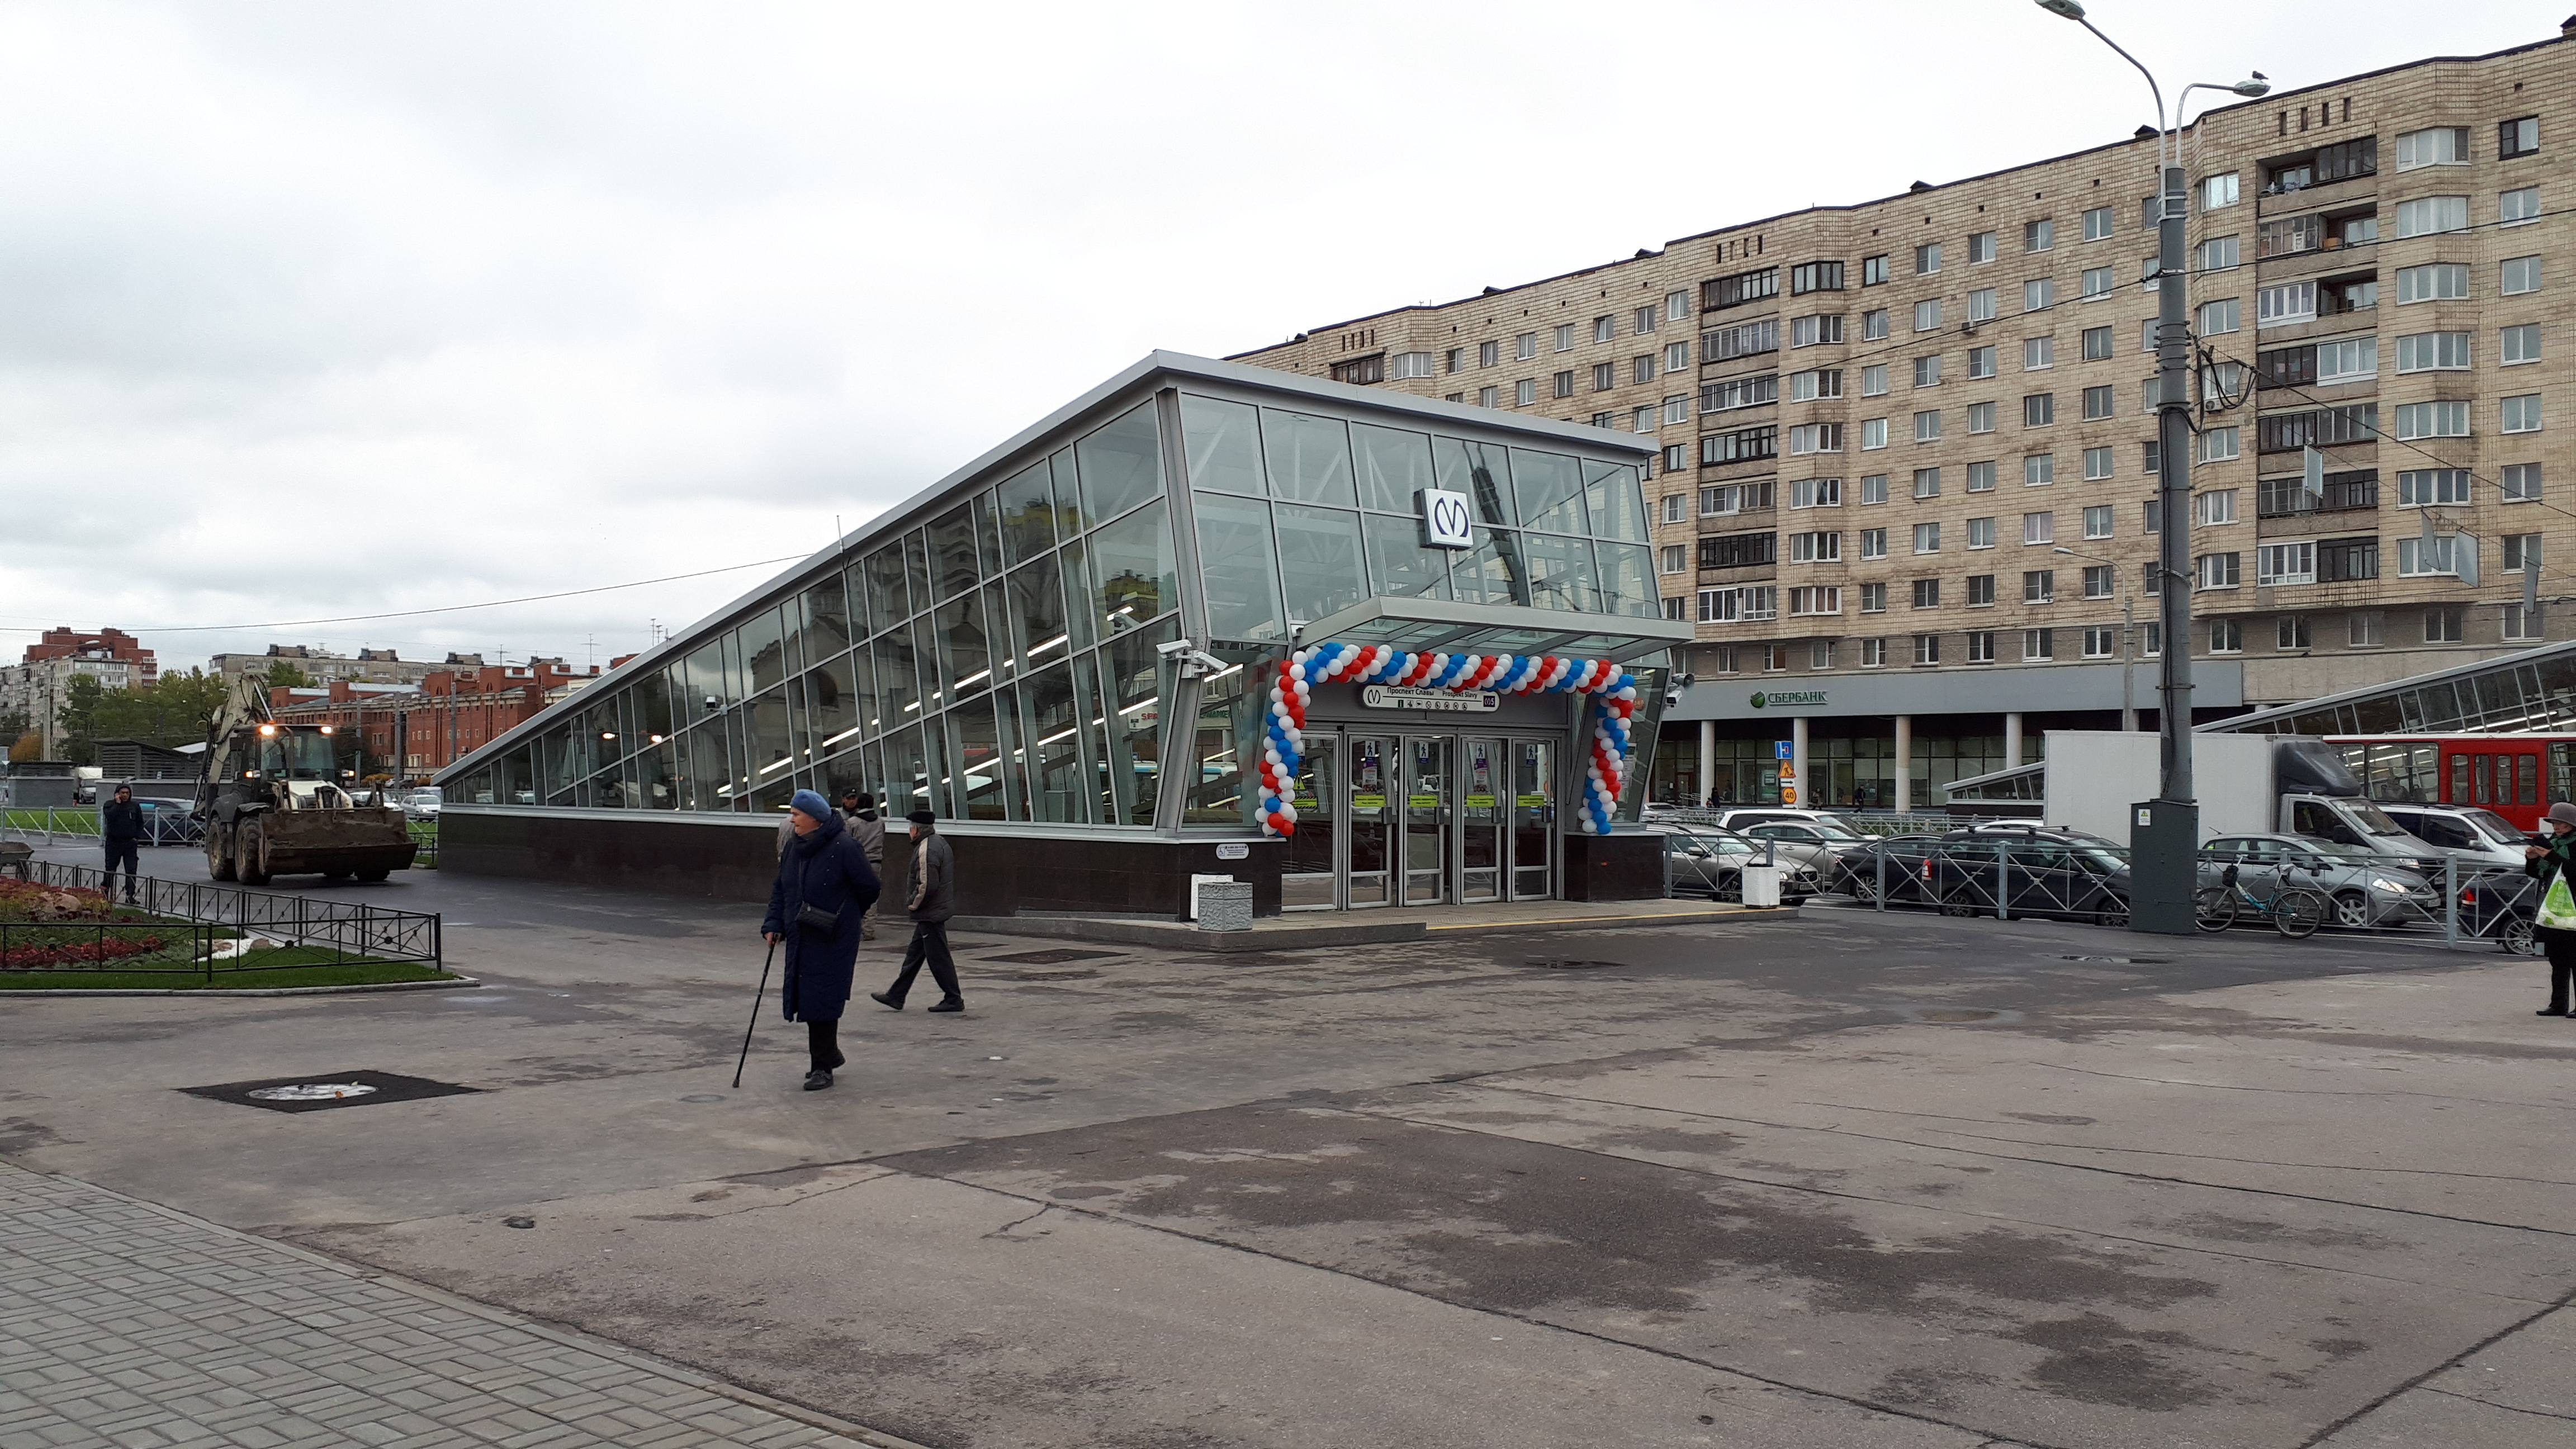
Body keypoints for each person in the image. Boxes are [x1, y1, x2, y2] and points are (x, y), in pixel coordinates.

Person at [761, 789, 880, 1091]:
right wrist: (774, 923)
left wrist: (845, 916)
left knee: (823, 998)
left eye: (796, 815)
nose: (792, 820)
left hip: (832, 937)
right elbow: (781, 888)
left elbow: (869, 887)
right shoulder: (794, 846)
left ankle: (822, 1067)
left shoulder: (845, 847)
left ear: (814, 818)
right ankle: (829, 1054)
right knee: (807, 996)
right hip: (801, 933)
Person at [871, 808, 963, 1014]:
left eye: (910, 828)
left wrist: (913, 904)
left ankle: (953, 998)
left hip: (930, 912)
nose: (909, 832)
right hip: (932, 911)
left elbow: (927, 884)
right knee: (914, 956)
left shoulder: (927, 849)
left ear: (917, 830)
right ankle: (896, 995)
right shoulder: (938, 842)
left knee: (938, 958)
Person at [2525, 800, 2576, 1016]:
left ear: (2572, 824)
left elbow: (2573, 870)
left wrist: (2551, 856)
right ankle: (2558, 1004)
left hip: (2573, 909)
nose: (2556, 827)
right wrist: (2531, 859)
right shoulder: (2554, 843)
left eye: (2561, 824)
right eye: (2554, 823)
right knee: (2557, 960)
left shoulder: (2573, 845)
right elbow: (2537, 873)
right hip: (2553, 910)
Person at [840, 789, 884, 941]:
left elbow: (846, 842)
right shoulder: (880, 822)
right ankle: (869, 930)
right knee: (873, 896)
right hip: (876, 861)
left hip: (858, 862)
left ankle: (854, 927)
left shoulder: (852, 823)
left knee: (853, 894)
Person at [101, 784, 142, 903]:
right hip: (114, 843)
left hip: (130, 843)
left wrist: (136, 838)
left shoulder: (134, 806)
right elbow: (110, 817)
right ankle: (105, 891)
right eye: (122, 793)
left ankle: (130, 896)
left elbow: (140, 822)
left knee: (131, 869)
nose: (125, 795)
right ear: (117, 794)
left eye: (127, 793)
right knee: (110, 868)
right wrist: (118, 804)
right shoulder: (110, 805)